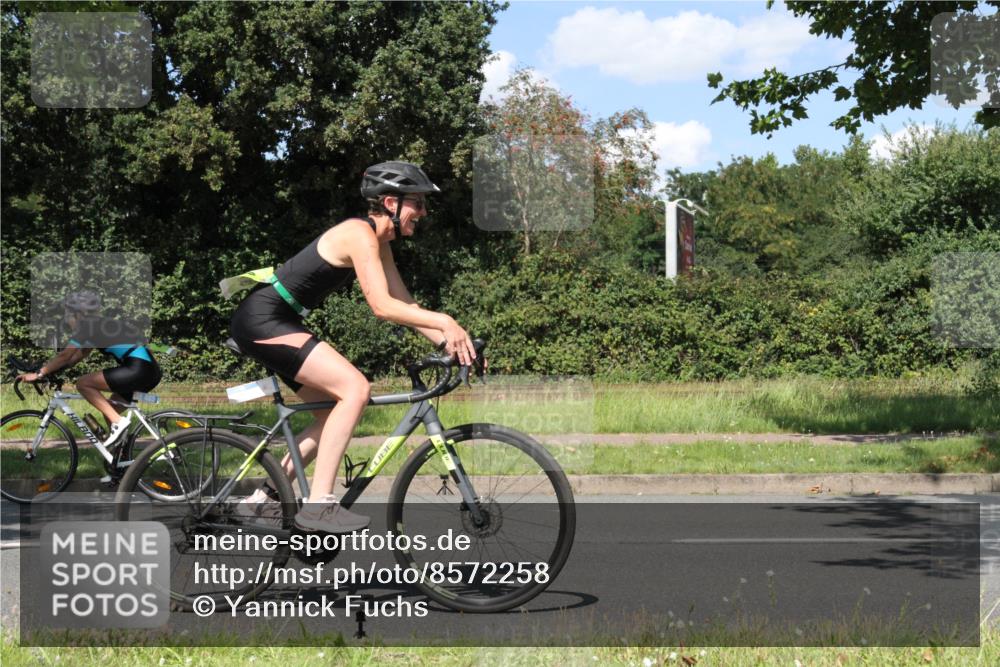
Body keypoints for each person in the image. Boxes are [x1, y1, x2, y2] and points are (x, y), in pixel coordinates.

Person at [229, 161, 476, 534]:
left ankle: (263, 500)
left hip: (278, 321)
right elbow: (380, 306)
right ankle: (319, 507)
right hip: (261, 321)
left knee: (331, 410)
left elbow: (405, 305)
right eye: (418, 203)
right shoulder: (359, 234)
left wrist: (454, 343)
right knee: (355, 388)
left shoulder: (379, 241)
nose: (423, 213)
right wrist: (444, 321)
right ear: (390, 202)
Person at [16, 290, 163, 446]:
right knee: (109, 411)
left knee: (83, 383)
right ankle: (123, 459)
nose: (67, 320)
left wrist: (39, 374)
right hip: (148, 370)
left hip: (138, 368)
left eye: (68, 315)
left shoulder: (87, 325)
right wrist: (52, 371)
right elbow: (76, 357)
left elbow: (65, 355)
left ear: (79, 314)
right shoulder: (98, 325)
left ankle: (119, 423)